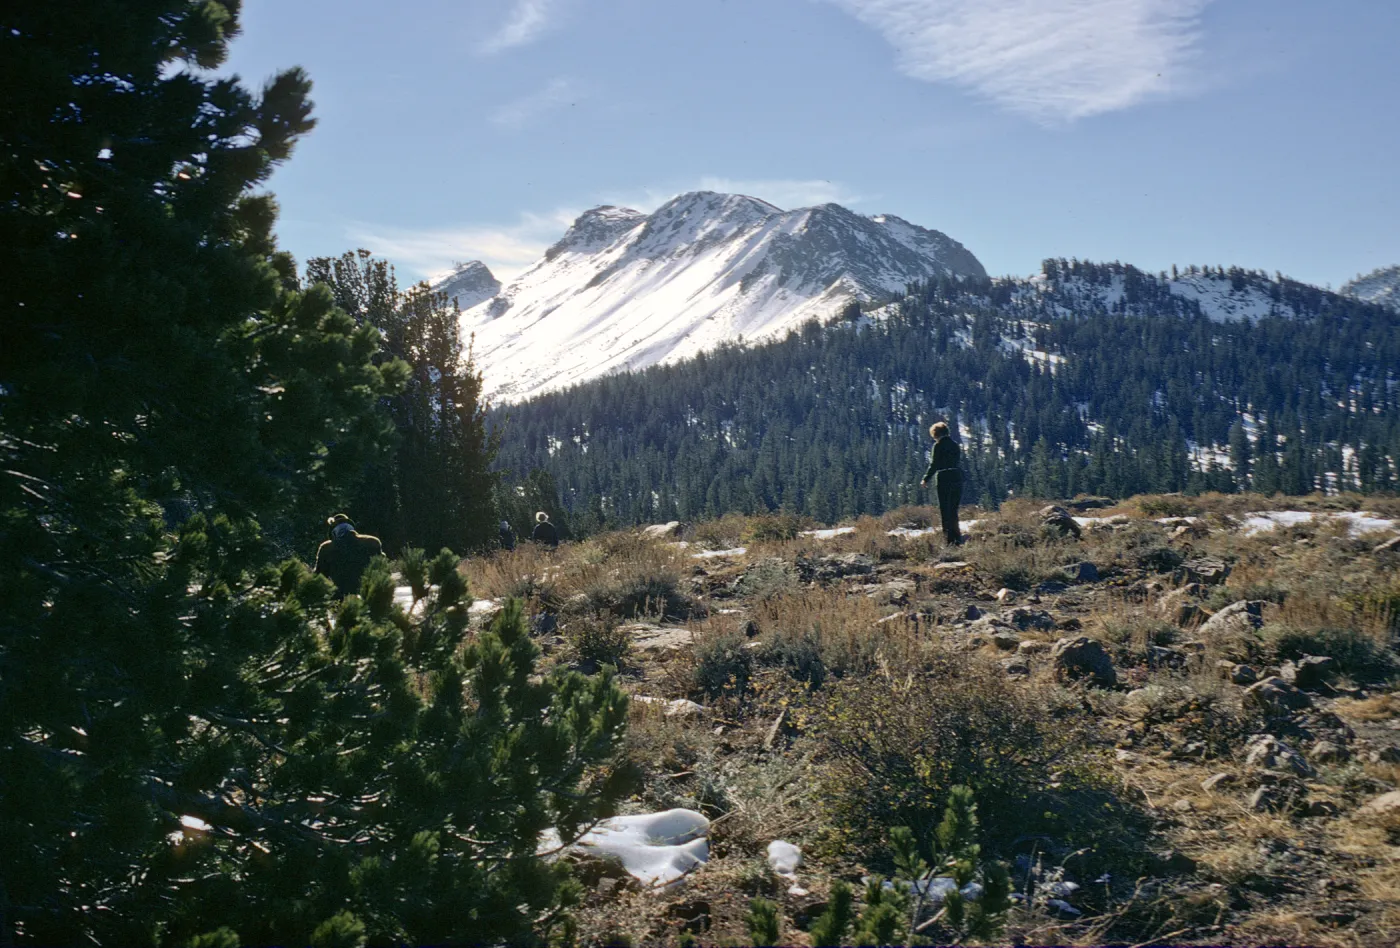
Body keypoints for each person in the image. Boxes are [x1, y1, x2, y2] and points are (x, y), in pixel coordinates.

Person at [314, 513, 385, 598]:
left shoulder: (327, 548)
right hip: (369, 595)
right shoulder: (372, 542)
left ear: (333, 532)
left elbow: (318, 577)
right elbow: (383, 570)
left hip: (340, 597)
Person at [919, 421, 964, 545]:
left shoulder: (938, 446)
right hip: (956, 476)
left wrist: (925, 478)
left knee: (945, 509)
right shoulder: (955, 445)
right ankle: (957, 538)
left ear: (935, 434)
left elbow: (934, 464)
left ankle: (949, 540)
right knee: (954, 510)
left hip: (943, 477)